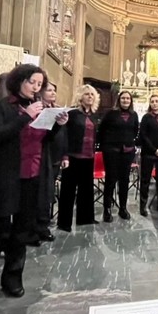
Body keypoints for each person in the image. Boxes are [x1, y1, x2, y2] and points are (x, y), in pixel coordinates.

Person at [0, 64, 68, 314]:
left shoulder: (37, 110)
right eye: (32, 82)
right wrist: (25, 116)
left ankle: (12, 279)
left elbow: (44, 139)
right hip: (2, 179)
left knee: (21, 232)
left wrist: (58, 124)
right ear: (19, 80)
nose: (36, 88)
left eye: (40, 84)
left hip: (30, 177)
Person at [57, 84, 99, 230]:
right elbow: (64, 135)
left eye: (92, 94)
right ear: (81, 96)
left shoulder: (94, 115)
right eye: (87, 94)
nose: (90, 97)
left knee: (86, 189)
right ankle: (64, 223)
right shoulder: (72, 113)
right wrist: (65, 156)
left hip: (88, 156)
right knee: (68, 190)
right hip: (73, 156)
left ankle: (85, 219)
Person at [98, 91, 139, 222]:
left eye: (128, 98)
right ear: (119, 100)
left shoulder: (134, 115)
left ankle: (123, 208)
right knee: (110, 180)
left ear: (131, 101)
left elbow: (135, 131)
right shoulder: (111, 113)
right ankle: (107, 209)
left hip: (127, 151)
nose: (126, 100)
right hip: (111, 151)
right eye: (123, 98)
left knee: (124, 180)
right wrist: (105, 146)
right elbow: (102, 130)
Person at [34, 81, 64, 241]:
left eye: (54, 90)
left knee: (47, 192)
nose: (53, 93)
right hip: (40, 156)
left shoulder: (56, 110)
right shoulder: (36, 109)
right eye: (49, 90)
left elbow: (61, 135)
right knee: (39, 193)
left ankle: (43, 224)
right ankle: (36, 227)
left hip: (54, 156)